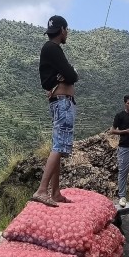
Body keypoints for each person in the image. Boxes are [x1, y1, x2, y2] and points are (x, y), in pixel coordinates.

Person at [33, 15, 78, 207]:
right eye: (66, 30)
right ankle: (42, 190)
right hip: (62, 102)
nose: (67, 33)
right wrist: (68, 74)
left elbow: (65, 76)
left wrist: (65, 76)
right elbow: (72, 75)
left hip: (58, 102)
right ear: (63, 30)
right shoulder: (53, 48)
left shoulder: (49, 49)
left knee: (58, 146)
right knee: (59, 146)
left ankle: (55, 192)